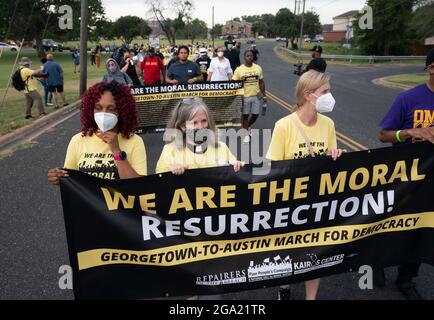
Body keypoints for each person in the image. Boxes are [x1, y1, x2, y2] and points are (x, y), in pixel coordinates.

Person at [267, 70, 344, 300]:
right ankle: (284, 288)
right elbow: (273, 168)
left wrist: (337, 155)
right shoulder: (284, 126)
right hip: (290, 202)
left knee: (315, 252)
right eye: (326, 92)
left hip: (318, 200)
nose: (330, 96)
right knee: (288, 250)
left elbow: (330, 158)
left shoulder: (328, 124)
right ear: (309, 95)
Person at [375, 48, 434, 300]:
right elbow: (383, 134)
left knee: (423, 229)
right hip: (407, 178)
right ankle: (376, 259)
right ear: (431, 68)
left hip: (431, 180)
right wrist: (410, 133)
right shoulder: (408, 99)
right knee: (395, 225)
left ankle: (406, 278)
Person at [47, 81, 147, 185]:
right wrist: (58, 177)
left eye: (111, 108)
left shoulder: (134, 141)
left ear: (122, 111)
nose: (104, 113)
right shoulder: (78, 140)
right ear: (91, 110)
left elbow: (139, 186)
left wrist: (116, 151)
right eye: (98, 108)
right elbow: (70, 180)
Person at [156, 97, 243, 175]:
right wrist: (170, 171)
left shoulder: (222, 147)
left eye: (204, 121)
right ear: (183, 126)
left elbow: (234, 176)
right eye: (194, 123)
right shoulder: (170, 150)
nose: (201, 127)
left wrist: (239, 167)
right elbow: (158, 181)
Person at [232, 50, 266, 143]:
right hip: (244, 96)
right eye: (247, 56)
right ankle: (246, 133)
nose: (249, 57)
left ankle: (246, 126)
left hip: (256, 95)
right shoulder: (239, 70)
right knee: (245, 115)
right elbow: (234, 83)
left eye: (251, 56)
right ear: (244, 57)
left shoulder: (258, 68)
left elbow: (261, 82)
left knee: (255, 114)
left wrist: (264, 95)